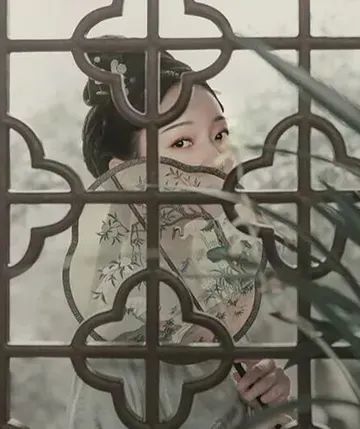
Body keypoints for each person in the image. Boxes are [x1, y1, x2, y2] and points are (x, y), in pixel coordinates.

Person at [66, 43, 295, 429]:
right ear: (126, 176)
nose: (219, 158)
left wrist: (276, 408)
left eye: (220, 135)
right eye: (182, 142)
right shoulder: (113, 354)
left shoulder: (241, 299)